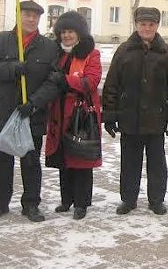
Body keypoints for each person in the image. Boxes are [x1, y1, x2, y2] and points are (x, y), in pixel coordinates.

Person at [0, 0, 60, 222]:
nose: (31, 19)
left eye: (35, 16)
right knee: (0, 160)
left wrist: (34, 103)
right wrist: (12, 68)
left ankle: (31, 204)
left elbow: (54, 81)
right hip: (2, 111)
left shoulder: (49, 48)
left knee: (31, 161)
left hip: (31, 112)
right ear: (18, 15)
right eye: (27, 14)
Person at [102, 7, 168, 216]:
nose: (147, 28)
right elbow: (112, 85)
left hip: (156, 118)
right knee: (129, 162)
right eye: (143, 24)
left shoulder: (165, 52)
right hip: (129, 117)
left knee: (157, 163)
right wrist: (110, 116)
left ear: (157, 25)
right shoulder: (124, 51)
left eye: (151, 24)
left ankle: (156, 200)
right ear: (137, 25)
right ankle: (128, 199)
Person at [45, 11, 102, 220]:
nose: (67, 36)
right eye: (63, 31)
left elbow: (91, 81)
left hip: (80, 114)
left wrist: (66, 81)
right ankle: (66, 199)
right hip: (59, 113)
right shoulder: (57, 53)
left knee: (81, 159)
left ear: (80, 34)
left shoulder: (91, 54)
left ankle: (81, 202)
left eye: (71, 31)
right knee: (64, 159)